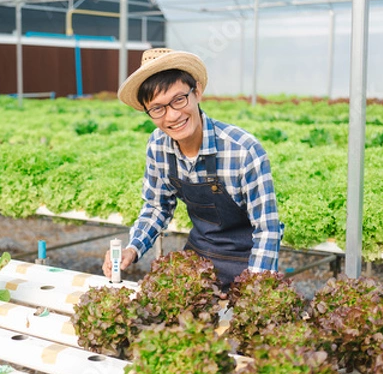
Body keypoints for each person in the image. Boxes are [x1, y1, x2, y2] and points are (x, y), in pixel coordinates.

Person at [102, 48, 284, 292]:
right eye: (158, 109)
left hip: (247, 263)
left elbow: (267, 229)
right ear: (148, 112)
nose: (173, 115)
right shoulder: (158, 145)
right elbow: (158, 207)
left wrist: (254, 290)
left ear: (197, 92)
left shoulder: (244, 150)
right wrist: (132, 248)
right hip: (198, 259)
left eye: (179, 100)